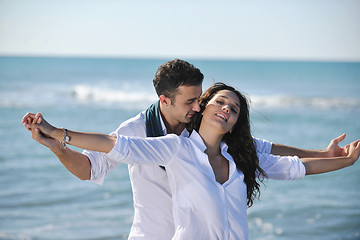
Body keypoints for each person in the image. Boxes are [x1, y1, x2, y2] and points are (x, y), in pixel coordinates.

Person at [22, 59, 351, 239]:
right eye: (192, 101)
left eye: (201, 98)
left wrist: (326, 154)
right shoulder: (145, 133)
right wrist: (58, 141)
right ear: (165, 101)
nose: (200, 105)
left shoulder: (205, 126)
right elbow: (93, 165)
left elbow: (264, 150)